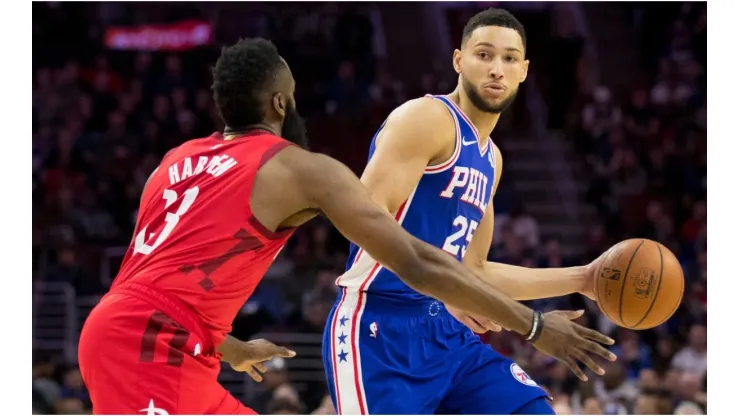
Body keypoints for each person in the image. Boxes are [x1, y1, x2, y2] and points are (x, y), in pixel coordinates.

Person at [78, 37, 614, 415]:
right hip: (152, 345)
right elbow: (414, 258)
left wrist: (230, 347)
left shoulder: (176, 160)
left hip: (153, 332)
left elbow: (159, 279)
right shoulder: (298, 168)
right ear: (282, 102)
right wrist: (535, 326)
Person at [323, 8, 614, 415]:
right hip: (379, 331)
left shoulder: (491, 159)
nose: (497, 69)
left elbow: (475, 270)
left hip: (444, 333)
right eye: (484, 55)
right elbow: (359, 221)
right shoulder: (428, 118)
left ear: (524, 71)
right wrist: (528, 323)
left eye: (509, 58)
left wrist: (585, 277)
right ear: (458, 60)